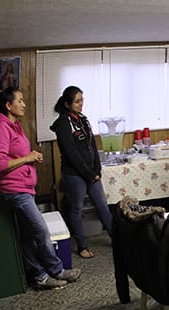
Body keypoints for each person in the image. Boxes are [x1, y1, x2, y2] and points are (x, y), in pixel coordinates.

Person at [0, 88, 81, 290]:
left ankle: (39, 276)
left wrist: (30, 156)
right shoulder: (1, 128)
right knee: (40, 230)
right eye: (20, 100)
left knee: (29, 234)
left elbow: (14, 153)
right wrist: (27, 158)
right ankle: (56, 271)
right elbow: (0, 164)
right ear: (8, 105)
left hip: (24, 186)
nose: (24, 104)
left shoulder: (14, 125)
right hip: (15, 190)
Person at [50, 85, 112, 258]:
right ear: (67, 104)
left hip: (92, 172)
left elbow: (92, 145)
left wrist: (97, 169)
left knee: (102, 206)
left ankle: (117, 239)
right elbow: (72, 154)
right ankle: (82, 246)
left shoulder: (83, 119)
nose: (81, 104)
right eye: (77, 101)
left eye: (82, 100)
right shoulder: (63, 124)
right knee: (76, 210)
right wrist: (89, 174)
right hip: (74, 174)